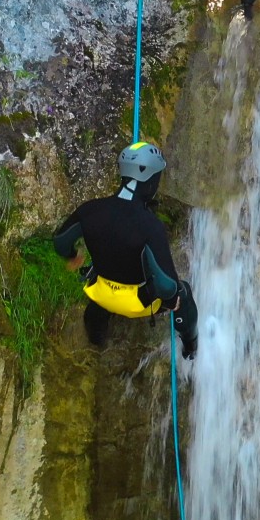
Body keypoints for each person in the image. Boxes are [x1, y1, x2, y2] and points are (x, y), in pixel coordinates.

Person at [53, 142, 198, 358]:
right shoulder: (150, 226)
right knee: (182, 292)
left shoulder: (90, 210)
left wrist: (73, 257)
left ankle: (96, 337)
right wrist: (172, 300)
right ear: (150, 179)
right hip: (137, 303)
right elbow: (167, 286)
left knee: (99, 285)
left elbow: (60, 242)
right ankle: (190, 346)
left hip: (101, 293)